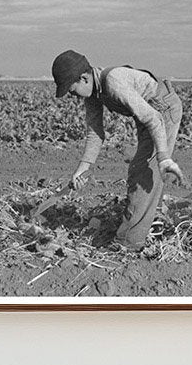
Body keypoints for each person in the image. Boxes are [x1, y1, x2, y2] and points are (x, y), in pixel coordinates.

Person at [51, 49, 184, 248]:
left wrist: (164, 157)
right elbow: (95, 133)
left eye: (72, 89)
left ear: (84, 78)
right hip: (149, 114)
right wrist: (83, 168)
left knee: (144, 172)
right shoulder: (92, 94)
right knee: (143, 171)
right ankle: (141, 227)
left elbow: (154, 118)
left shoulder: (113, 82)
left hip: (162, 110)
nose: (73, 95)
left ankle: (129, 243)